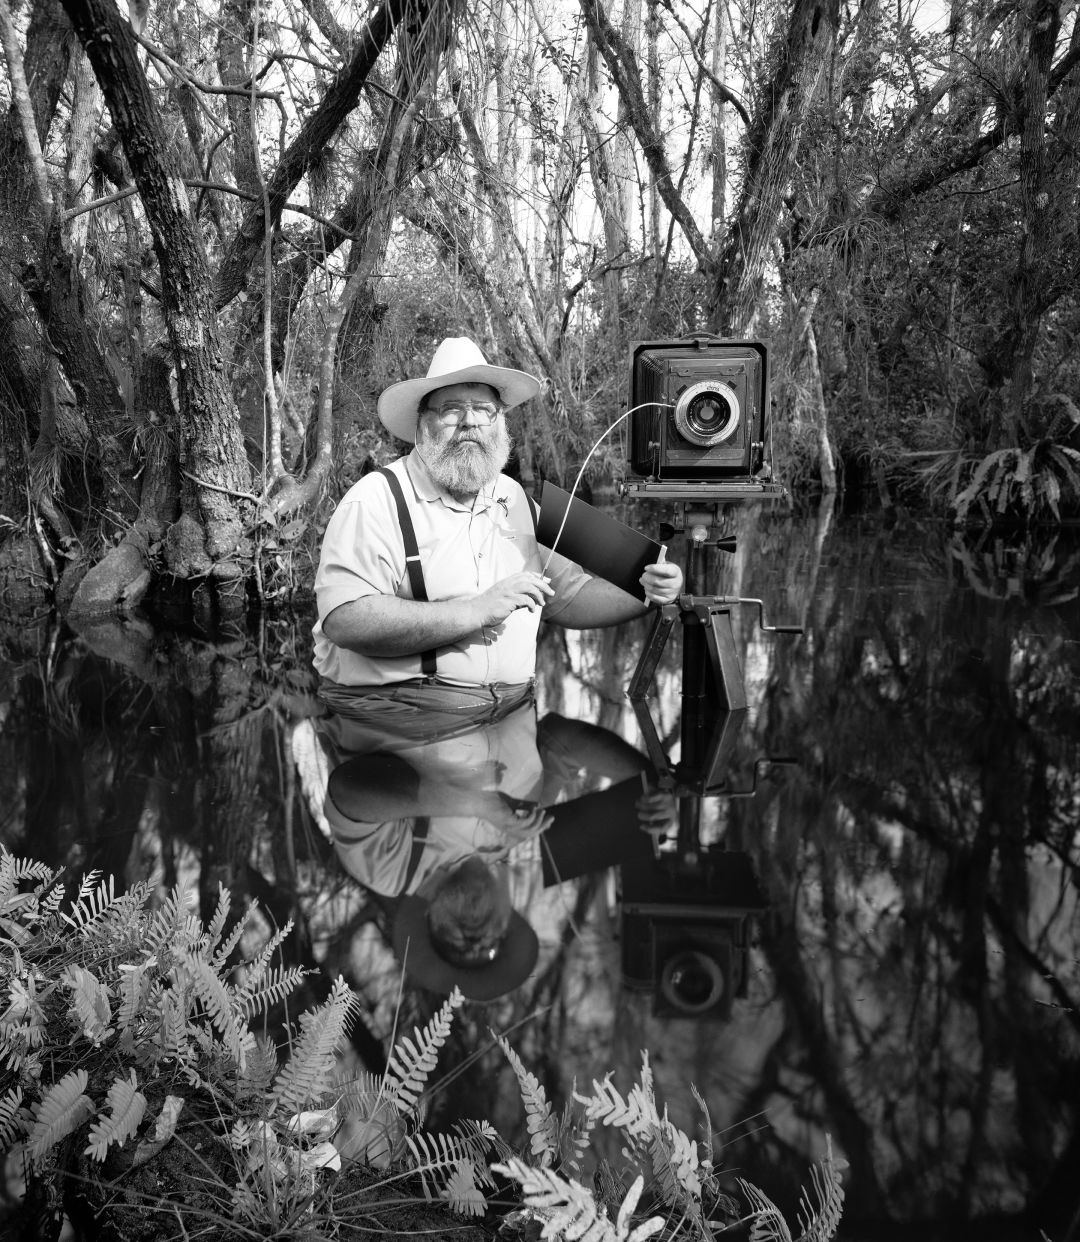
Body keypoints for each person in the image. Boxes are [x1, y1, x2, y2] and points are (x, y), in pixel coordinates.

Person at [312, 337, 682, 720]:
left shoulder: (516, 498)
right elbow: (346, 619)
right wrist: (476, 611)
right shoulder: (374, 500)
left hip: (513, 714)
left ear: (500, 422)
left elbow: (567, 597)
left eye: (484, 410)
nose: (470, 421)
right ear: (422, 426)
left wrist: (650, 592)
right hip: (399, 717)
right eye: (451, 409)